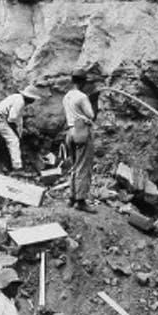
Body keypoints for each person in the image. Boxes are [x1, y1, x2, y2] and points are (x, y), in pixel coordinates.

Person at [0, 85, 42, 171]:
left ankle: (2, 163)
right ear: (29, 98)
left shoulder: (16, 97)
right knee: (13, 140)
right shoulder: (20, 101)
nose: (33, 101)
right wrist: (15, 133)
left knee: (7, 138)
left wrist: (20, 131)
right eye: (33, 99)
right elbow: (12, 118)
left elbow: (18, 120)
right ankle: (17, 167)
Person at [63, 68, 96, 213]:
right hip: (81, 131)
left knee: (75, 165)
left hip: (70, 132)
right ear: (82, 82)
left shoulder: (67, 96)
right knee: (83, 166)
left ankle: (72, 197)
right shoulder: (82, 97)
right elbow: (91, 115)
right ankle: (81, 201)